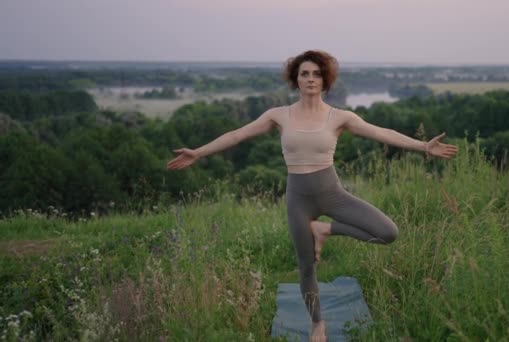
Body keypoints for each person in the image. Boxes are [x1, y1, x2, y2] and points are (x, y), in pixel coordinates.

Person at [167, 50, 458, 341]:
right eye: (304, 73)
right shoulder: (278, 115)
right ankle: (317, 323)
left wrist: (423, 146)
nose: (310, 79)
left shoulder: (339, 117)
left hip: (332, 194)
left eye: (316, 74)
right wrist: (199, 152)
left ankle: (325, 229)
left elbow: (382, 132)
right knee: (306, 266)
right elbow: (236, 135)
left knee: (388, 232)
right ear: (296, 78)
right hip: (298, 199)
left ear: (325, 79)